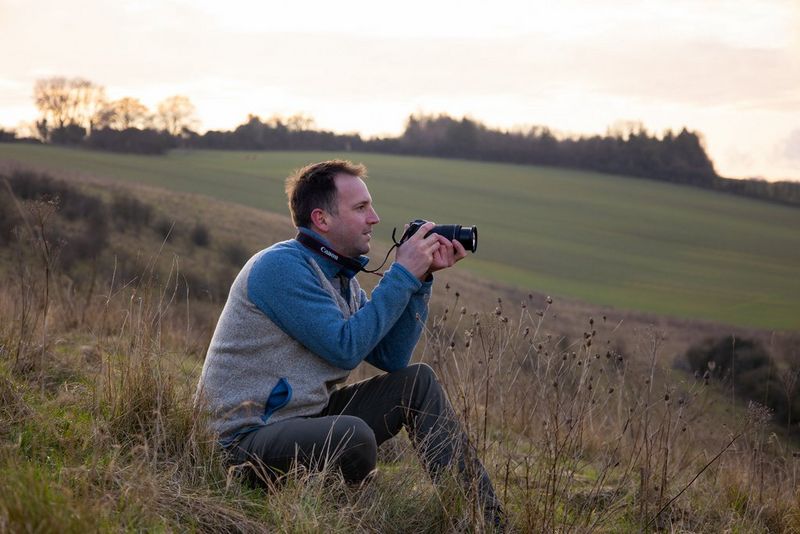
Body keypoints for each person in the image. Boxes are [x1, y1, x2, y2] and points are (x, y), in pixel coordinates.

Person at [196, 160, 502, 526]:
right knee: (351, 436)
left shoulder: (340, 277)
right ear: (321, 219)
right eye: (361, 208)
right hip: (243, 441)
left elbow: (391, 356)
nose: (374, 218)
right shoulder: (280, 268)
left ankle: (486, 520)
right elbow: (345, 348)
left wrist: (420, 280)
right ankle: (343, 512)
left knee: (416, 383)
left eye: (370, 206)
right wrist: (401, 274)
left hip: (301, 421)